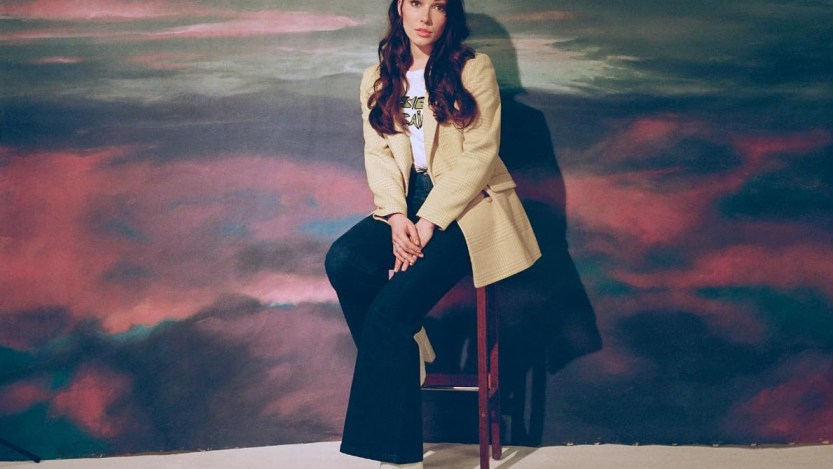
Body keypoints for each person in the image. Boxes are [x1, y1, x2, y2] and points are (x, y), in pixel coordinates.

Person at [325, 1, 541, 467]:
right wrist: (395, 216)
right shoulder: (377, 78)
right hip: (406, 200)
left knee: (388, 311)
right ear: (399, 8)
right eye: (416, 3)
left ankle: (400, 457)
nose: (425, 17)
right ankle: (411, 343)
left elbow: (480, 154)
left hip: (468, 205)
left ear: (450, 14)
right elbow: (379, 154)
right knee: (344, 261)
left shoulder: (473, 68)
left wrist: (428, 221)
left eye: (438, 5)